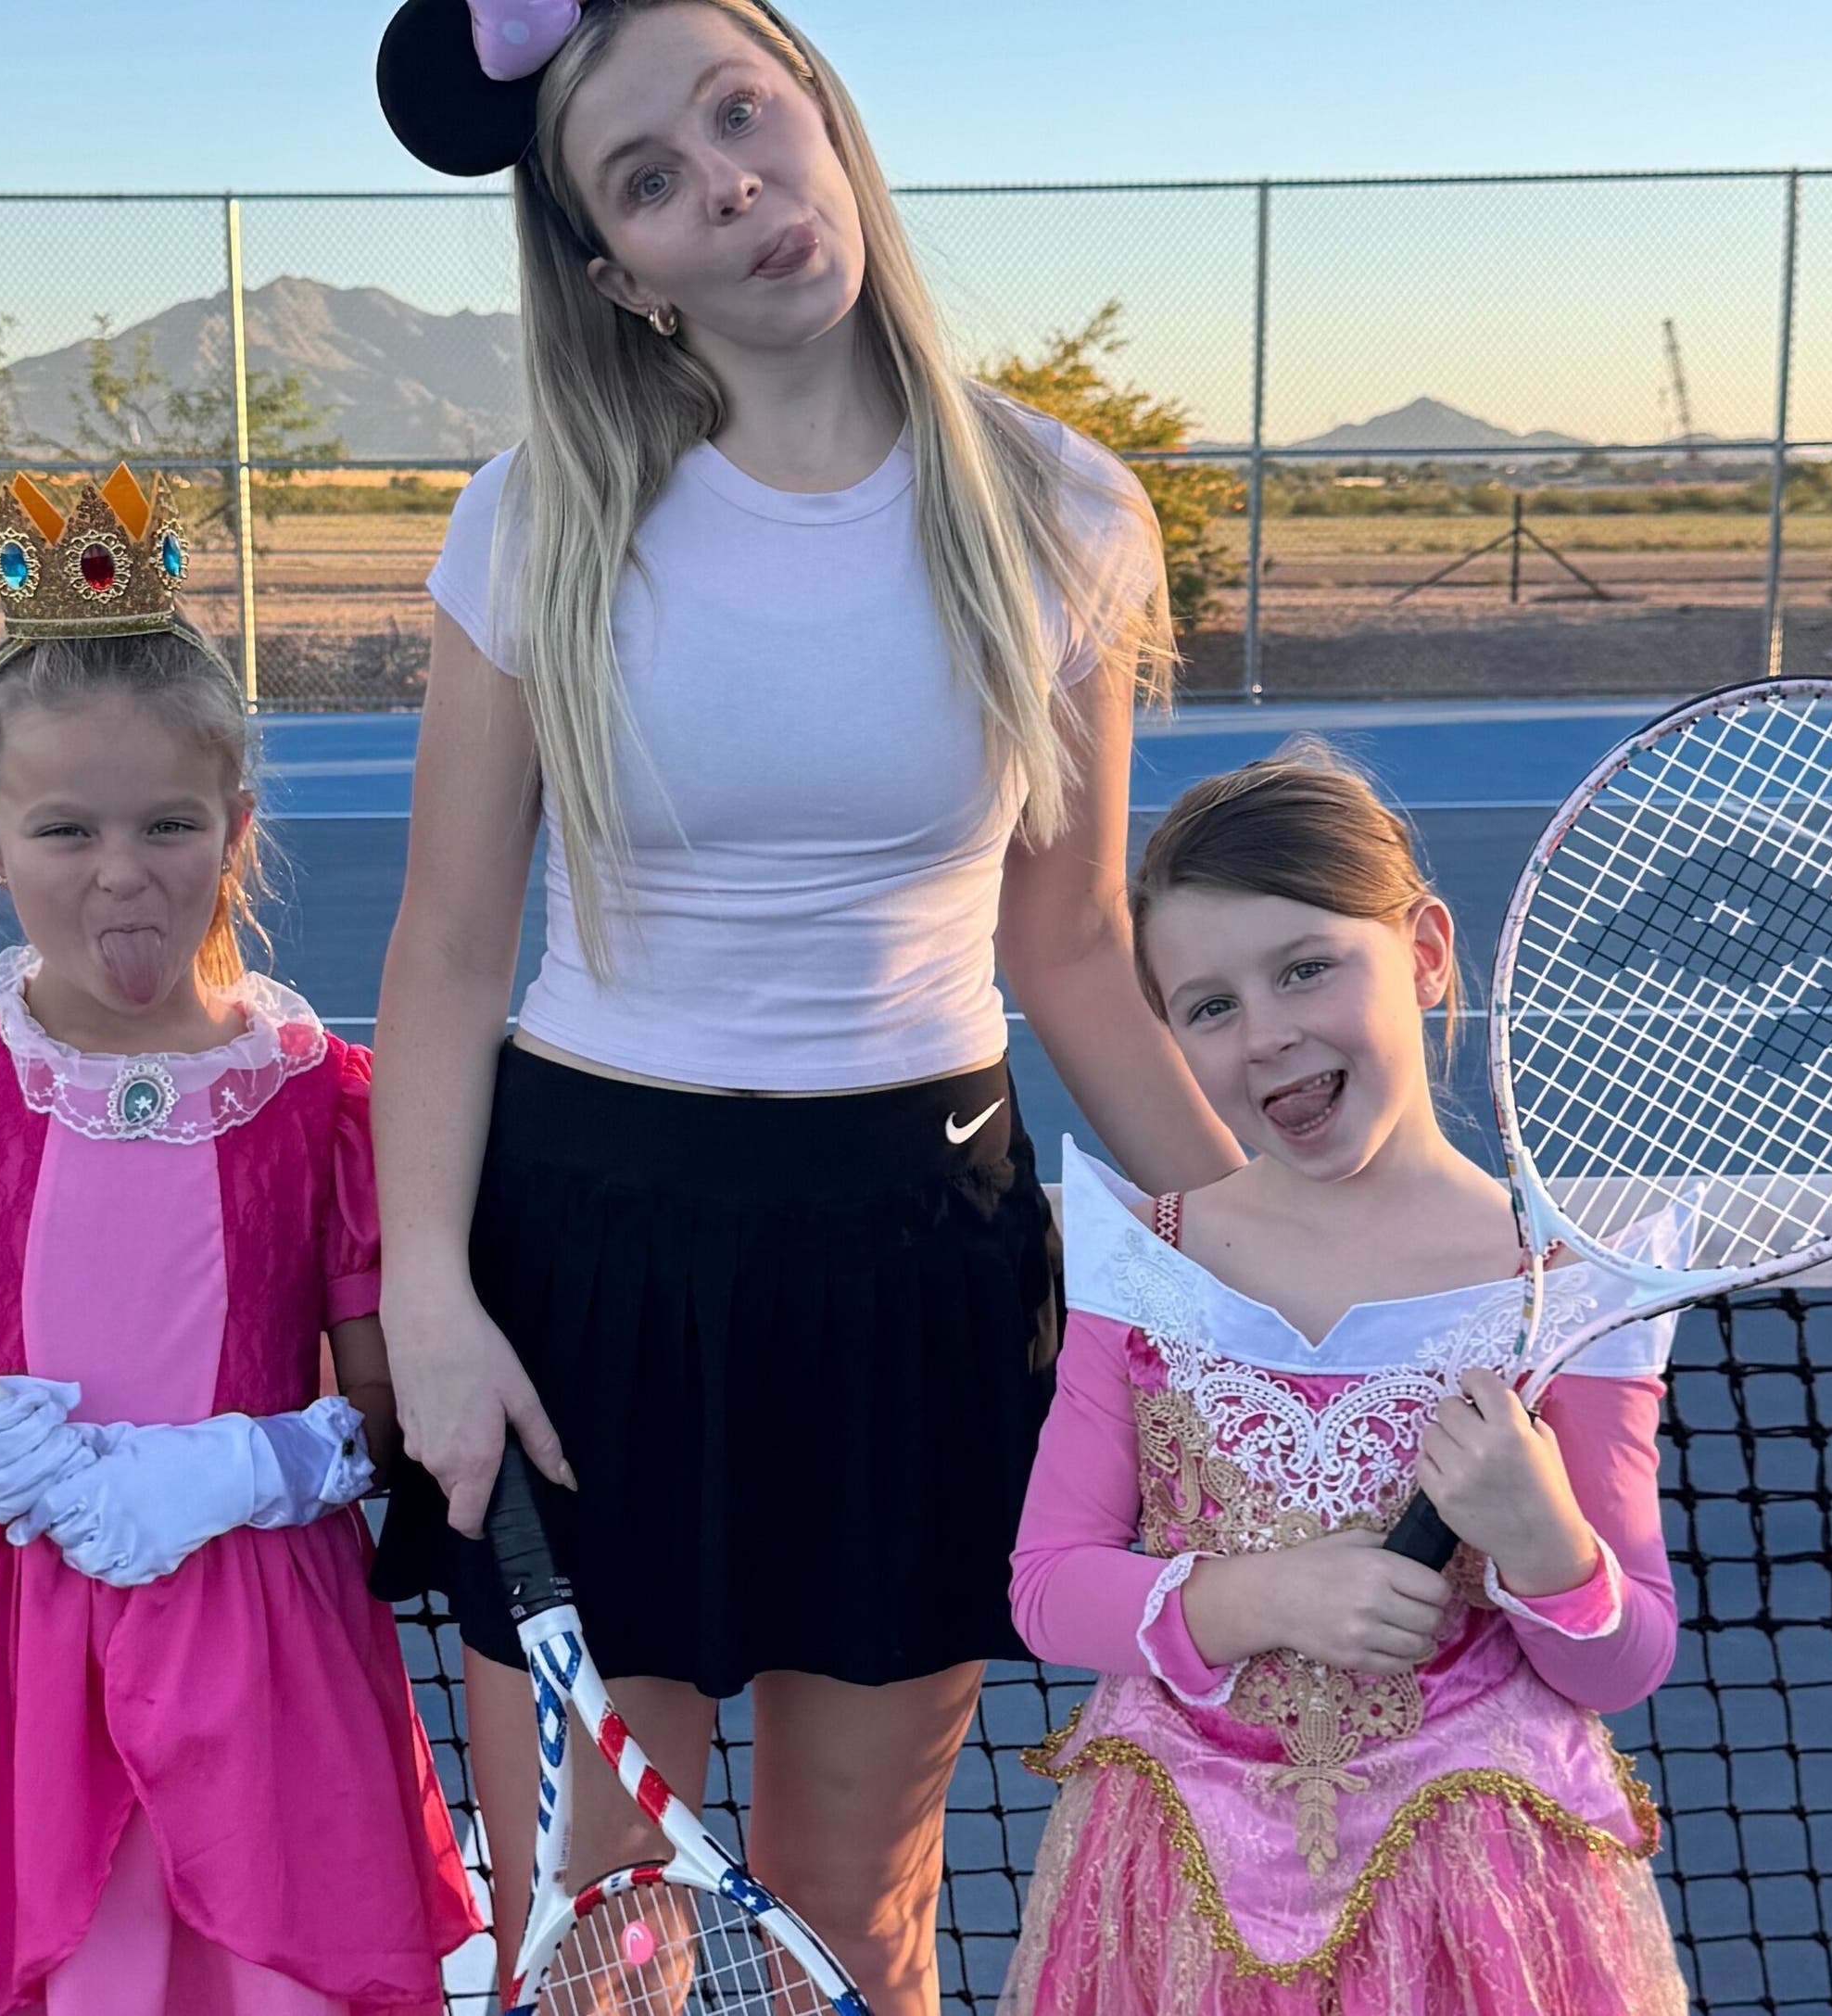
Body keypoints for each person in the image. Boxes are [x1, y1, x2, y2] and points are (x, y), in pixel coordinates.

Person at [364, 0, 1242, 2001]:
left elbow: (1072, 951)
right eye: (648, 179)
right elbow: (443, 942)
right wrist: (432, 1289)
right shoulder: (537, 521)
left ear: (825, 120)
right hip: (590, 1272)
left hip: (913, 1264)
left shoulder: (1069, 513)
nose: (727, 181)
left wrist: (1280, 1257)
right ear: (618, 274)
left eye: (742, 115)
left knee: (863, 1909)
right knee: (592, 1932)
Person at [0, 468, 478, 2016]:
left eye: (168, 821)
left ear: (236, 828)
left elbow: (378, 1393)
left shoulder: (330, 1107)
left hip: (251, 1649)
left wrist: (245, 1466)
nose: (121, 867)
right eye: (65, 827)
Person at [1004, 745, 1689, 2015]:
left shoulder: (1575, 1293)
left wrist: (1544, 1545)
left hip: (1480, 1912)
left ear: (1424, 952)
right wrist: (1262, 1596)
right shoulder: (1145, 1262)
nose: (1266, 1033)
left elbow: (1624, 1659)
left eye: (1306, 968)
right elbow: (1048, 1590)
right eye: (1207, 1006)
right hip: (1173, 1907)